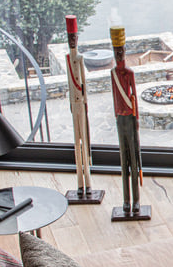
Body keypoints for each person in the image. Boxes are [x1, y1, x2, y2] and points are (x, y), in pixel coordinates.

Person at [63, 15, 102, 203]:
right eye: (70, 38)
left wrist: (85, 102)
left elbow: (83, 82)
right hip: (74, 104)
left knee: (84, 144)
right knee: (76, 144)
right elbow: (70, 83)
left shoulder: (79, 58)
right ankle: (80, 182)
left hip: (81, 103)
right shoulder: (68, 59)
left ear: (77, 38)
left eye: (74, 38)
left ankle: (88, 181)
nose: (72, 41)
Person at [109, 25, 147, 219]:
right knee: (124, 163)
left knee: (134, 159)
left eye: (121, 50)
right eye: (116, 51)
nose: (119, 54)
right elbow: (115, 96)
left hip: (131, 119)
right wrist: (116, 115)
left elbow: (134, 97)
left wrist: (137, 119)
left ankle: (136, 200)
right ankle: (126, 200)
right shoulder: (113, 74)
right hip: (120, 119)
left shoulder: (129, 73)